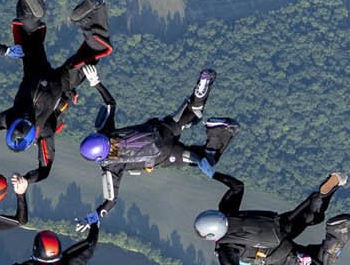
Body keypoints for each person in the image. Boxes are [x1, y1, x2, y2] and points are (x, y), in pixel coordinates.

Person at [0, 0, 112, 182]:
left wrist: (26, 179)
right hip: (37, 74)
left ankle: (94, 11)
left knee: (91, 53)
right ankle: (29, 6)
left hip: (60, 84)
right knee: (29, 38)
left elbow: (45, 169)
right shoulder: (8, 118)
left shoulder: (44, 132)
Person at [75, 73, 237, 225]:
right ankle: (203, 84)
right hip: (161, 129)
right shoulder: (106, 132)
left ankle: (218, 129)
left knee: (207, 160)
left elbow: (110, 202)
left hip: (167, 154)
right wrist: (96, 83)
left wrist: (93, 217)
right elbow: (110, 103)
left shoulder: (111, 167)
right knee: (193, 113)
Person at [187, 170, 350, 265]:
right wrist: (212, 173)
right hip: (280, 225)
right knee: (311, 215)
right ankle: (330, 186)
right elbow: (237, 186)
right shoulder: (227, 211)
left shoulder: (226, 248)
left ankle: (339, 231)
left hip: (279, 253)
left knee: (321, 262)